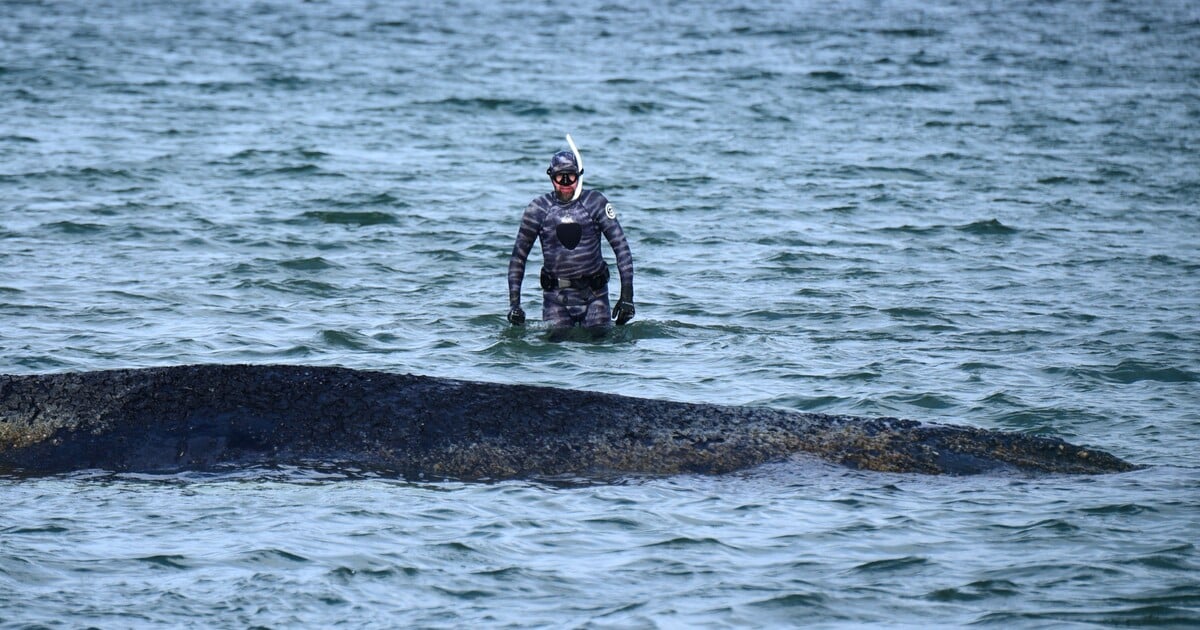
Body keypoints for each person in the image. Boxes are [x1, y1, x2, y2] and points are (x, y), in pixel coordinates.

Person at [507, 144, 634, 335]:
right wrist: (514, 305)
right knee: (555, 355)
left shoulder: (595, 203)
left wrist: (627, 297)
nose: (565, 182)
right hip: (555, 299)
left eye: (571, 176)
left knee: (600, 348)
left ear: (579, 176)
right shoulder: (538, 209)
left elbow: (621, 248)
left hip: (595, 297)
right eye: (560, 177)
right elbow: (518, 258)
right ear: (551, 177)